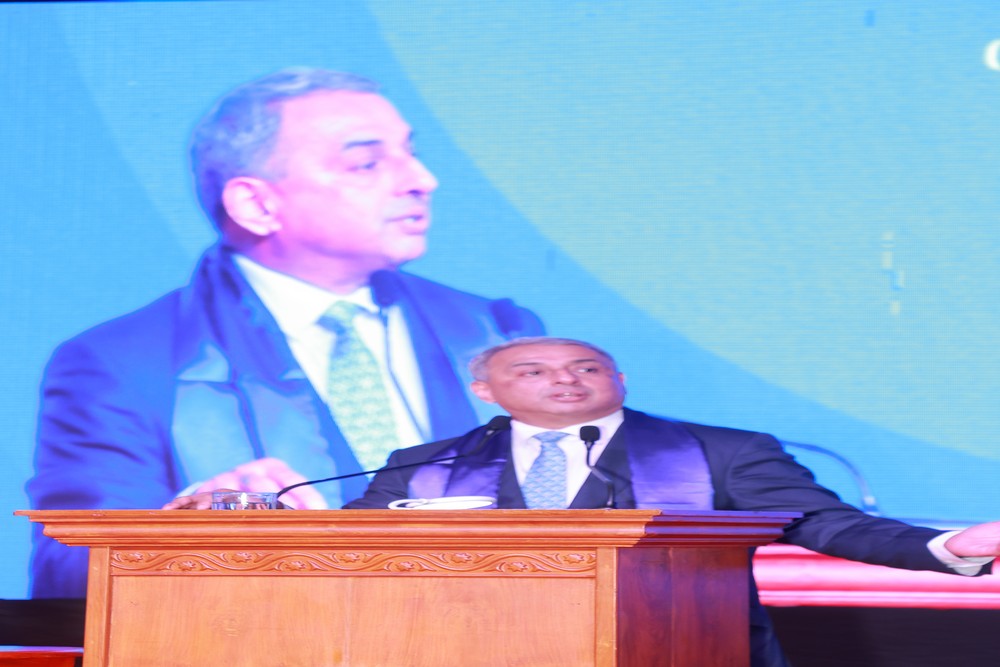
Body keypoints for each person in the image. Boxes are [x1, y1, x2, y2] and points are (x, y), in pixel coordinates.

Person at [26, 68, 543, 598]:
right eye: (366, 163)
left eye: (411, 152)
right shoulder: (124, 365)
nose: (421, 179)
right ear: (256, 205)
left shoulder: (497, 332)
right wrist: (188, 531)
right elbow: (67, 572)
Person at [333, 336, 998, 667]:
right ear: (484, 390)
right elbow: (348, 546)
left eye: (586, 368)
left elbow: (822, 522)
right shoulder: (427, 464)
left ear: (619, 379)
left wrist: (946, 546)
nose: (565, 380)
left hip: (677, 649)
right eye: (533, 371)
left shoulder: (720, 451)